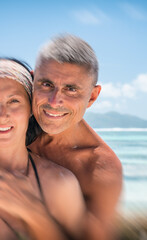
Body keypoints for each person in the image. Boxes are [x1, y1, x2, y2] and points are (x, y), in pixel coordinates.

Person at [0, 58, 85, 240]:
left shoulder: (60, 184)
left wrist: (34, 213)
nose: (2, 114)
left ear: (30, 109)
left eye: (14, 101)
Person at [28, 34, 123, 240]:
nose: (54, 101)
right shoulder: (11, 126)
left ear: (92, 97)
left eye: (71, 89)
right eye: (46, 84)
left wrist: (28, 209)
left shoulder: (100, 168)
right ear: (32, 80)